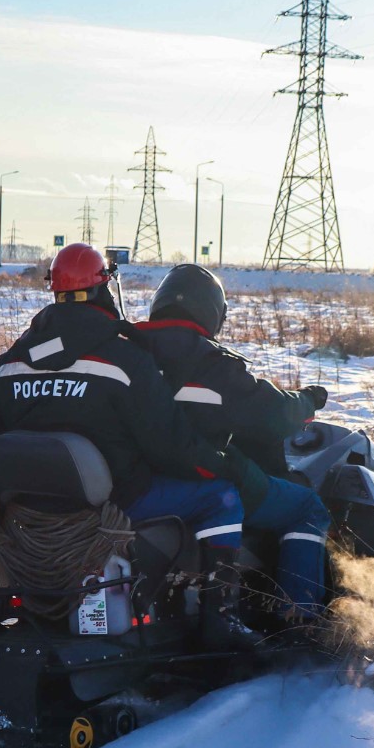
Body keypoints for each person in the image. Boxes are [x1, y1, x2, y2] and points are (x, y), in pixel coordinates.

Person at [0, 243, 269, 649]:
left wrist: (22, 494)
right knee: (222, 498)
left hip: (30, 514)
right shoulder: (124, 357)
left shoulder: (13, 360)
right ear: (103, 289)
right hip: (115, 503)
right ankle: (220, 618)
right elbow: (169, 444)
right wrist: (219, 463)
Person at [134, 264, 331, 628]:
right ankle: (300, 619)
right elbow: (271, 413)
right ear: (213, 311)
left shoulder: (127, 348)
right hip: (203, 479)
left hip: (138, 483)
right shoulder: (211, 362)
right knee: (308, 507)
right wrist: (307, 401)